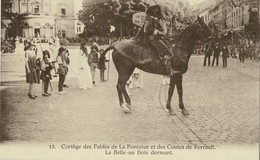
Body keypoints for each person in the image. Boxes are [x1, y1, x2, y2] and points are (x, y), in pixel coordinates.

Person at [140, 5, 173, 76]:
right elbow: (147, 29)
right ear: (151, 10)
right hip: (152, 38)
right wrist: (159, 32)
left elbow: (160, 28)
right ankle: (165, 66)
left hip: (157, 37)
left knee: (168, 44)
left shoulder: (155, 19)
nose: (156, 11)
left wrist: (164, 33)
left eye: (157, 10)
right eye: (154, 10)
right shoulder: (148, 18)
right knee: (166, 51)